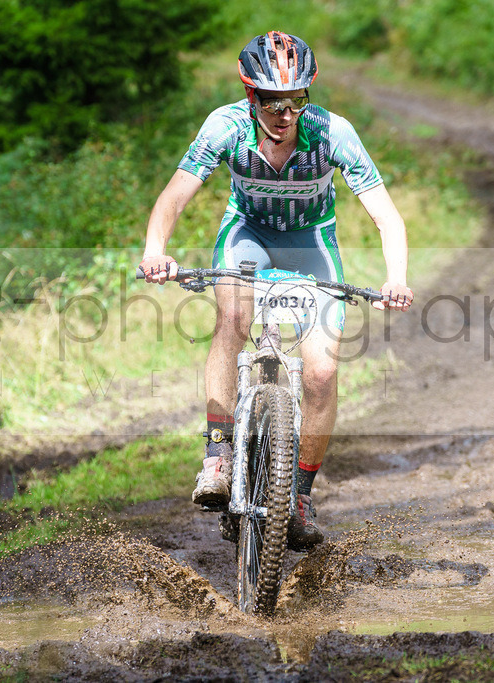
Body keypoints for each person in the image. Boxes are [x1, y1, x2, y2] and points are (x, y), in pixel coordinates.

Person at [140, 31, 412, 551]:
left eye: (295, 101)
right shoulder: (225, 127)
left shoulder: (334, 133)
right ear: (251, 97)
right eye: (272, 102)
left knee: (323, 370)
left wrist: (395, 278)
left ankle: (301, 495)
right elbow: (174, 196)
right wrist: (157, 248)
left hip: (312, 242)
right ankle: (217, 458)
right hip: (248, 237)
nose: (285, 114)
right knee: (233, 322)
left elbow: (386, 216)